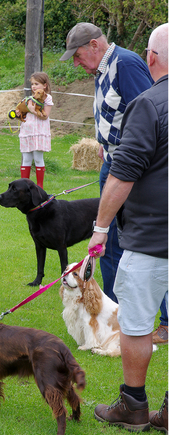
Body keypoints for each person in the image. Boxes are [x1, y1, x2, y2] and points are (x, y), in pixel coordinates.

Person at [87, 23, 168, 435]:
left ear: (151, 58)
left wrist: (101, 228)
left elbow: (123, 173)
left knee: (135, 323)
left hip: (154, 236)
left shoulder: (150, 103)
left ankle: (134, 406)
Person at [60, 23, 153, 303]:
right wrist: (104, 143)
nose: (76, 64)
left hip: (131, 168)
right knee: (108, 243)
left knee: (144, 243)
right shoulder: (102, 69)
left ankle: (166, 321)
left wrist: (126, 152)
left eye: (77, 56)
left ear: (94, 46)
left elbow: (150, 115)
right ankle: (113, 312)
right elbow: (117, 113)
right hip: (111, 162)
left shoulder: (125, 64)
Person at [16, 72, 53, 190]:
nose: (33, 86)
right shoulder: (28, 99)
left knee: (38, 158)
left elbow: (45, 115)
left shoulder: (47, 98)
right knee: (26, 158)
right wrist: (18, 114)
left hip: (38, 132)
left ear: (45, 85)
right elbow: (23, 113)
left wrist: (32, 110)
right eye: (32, 84)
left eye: (36, 84)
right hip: (27, 132)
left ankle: (39, 187)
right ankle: (24, 186)